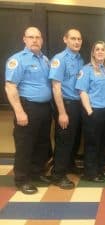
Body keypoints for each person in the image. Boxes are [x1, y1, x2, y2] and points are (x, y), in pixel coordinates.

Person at [5, 27, 52, 194]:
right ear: (24, 39)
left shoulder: (45, 60)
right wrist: (19, 112)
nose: (35, 40)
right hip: (27, 108)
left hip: (45, 108)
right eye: (31, 37)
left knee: (42, 143)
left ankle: (37, 173)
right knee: (25, 145)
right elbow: (10, 87)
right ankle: (22, 180)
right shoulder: (17, 60)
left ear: (42, 40)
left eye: (38, 37)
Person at [49, 28, 84, 189]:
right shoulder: (59, 59)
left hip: (78, 106)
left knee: (74, 139)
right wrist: (62, 113)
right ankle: (58, 175)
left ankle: (69, 165)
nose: (76, 42)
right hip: (66, 105)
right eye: (73, 39)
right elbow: (56, 87)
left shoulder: (80, 59)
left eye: (79, 39)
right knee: (64, 141)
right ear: (65, 39)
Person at [75, 41, 105, 182]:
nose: (100, 52)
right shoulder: (86, 70)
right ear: (93, 52)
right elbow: (82, 91)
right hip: (93, 112)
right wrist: (90, 111)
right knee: (93, 144)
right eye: (97, 49)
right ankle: (90, 173)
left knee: (104, 144)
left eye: (103, 49)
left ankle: (101, 169)